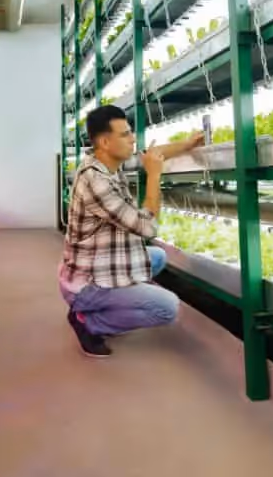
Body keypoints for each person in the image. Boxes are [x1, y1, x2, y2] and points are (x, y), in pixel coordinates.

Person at [60, 104, 203, 357]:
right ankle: (89, 322)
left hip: (99, 265)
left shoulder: (108, 163)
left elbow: (153, 153)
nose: (132, 139)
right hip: (87, 284)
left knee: (157, 257)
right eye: (125, 134)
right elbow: (147, 227)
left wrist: (188, 144)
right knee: (167, 307)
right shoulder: (96, 181)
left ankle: (111, 303)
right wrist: (154, 177)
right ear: (105, 142)